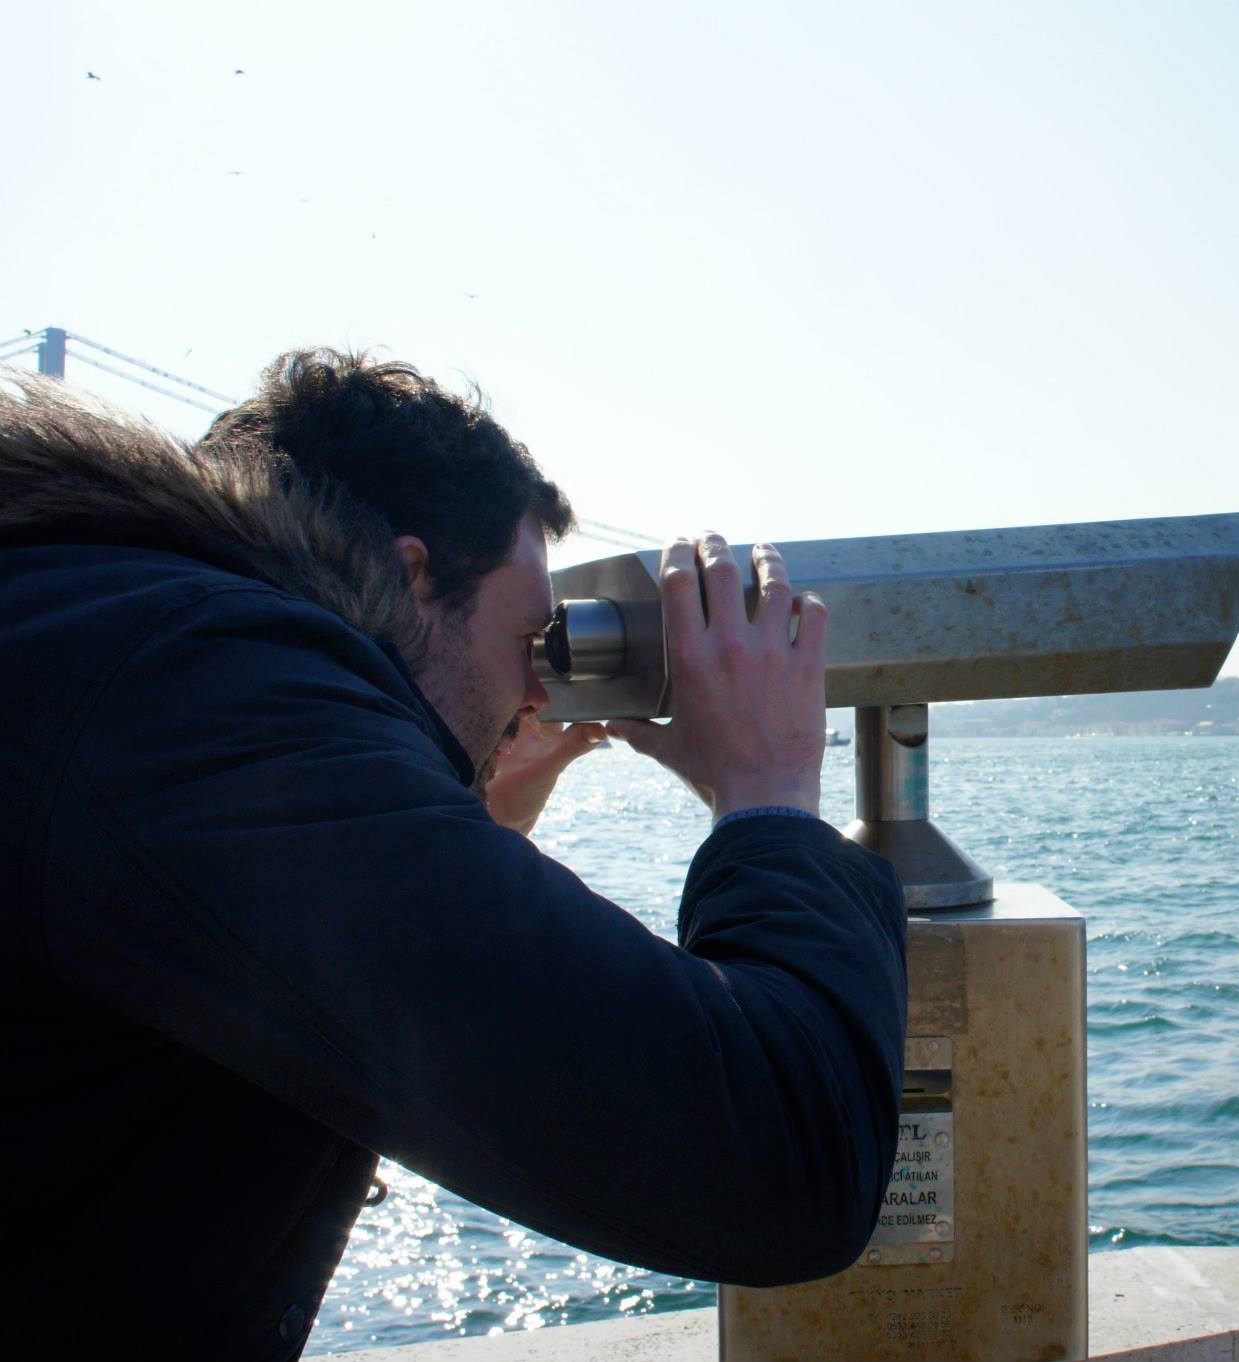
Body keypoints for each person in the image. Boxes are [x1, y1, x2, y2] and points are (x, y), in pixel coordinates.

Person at [0, 354, 908, 1360]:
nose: (537, 691)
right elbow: (784, 1164)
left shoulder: (93, 625)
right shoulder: (199, 688)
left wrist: (458, 806)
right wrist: (768, 797)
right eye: (530, 640)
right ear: (407, 574)